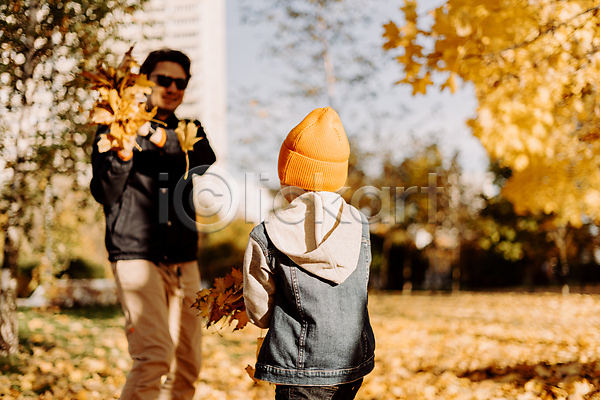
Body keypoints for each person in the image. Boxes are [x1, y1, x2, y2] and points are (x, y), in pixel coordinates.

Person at [90, 48, 216, 400]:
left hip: (183, 261)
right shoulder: (114, 129)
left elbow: (203, 157)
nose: (173, 87)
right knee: (154, 356)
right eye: (164, 80)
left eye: (181, 82)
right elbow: (104, 190)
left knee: (188, 363)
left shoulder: (189, 131)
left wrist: (152, 133)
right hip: (135, 257)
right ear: (145, 82)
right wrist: (124, 153)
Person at [242, 107, 375, 400]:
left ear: (288, 174)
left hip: (299, 369)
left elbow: (260, 313)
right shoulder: (360, 226)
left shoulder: (266, 234)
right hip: (352, 364)